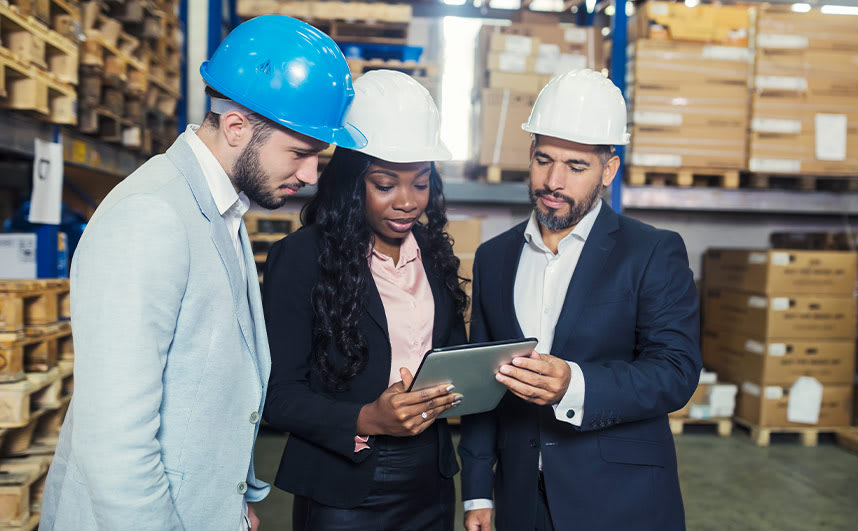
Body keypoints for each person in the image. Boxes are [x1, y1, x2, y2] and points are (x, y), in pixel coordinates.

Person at [39, 16, 366, 531]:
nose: (309, 175)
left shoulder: (219, 209)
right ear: (236, 127)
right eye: (301, 153)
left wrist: (230, 501)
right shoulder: (151, 216)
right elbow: (115, 444)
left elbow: (208, 382)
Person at [459, 69, 702, 531]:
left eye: (576, 167)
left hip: (621, 501)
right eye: (544, 160)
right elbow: (481, 387)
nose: (554, 181)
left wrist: (574, 384)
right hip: (520, 503)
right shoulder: (494, 258)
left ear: (608, 171)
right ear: (530, 153)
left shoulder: (652, 251)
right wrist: (477, 493)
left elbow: (676, 372)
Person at [262, 70, 466, 531]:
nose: (407, 202)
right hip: (343, 487)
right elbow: (277, 395)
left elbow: (450, 357)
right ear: (352, 183)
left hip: (429, 479)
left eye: (420, 183)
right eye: (385, 184)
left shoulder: (434, 255)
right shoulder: (302, 258)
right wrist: (367, 417)